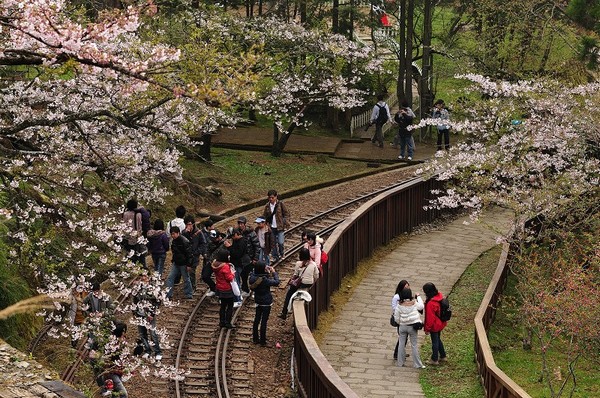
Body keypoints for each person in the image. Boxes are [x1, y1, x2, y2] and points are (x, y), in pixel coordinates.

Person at [278, 248, 319, 319]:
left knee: (289, 293)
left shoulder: (298, 263)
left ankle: (284, 312)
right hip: (309, 283)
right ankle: (286, 311)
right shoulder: (313, 264)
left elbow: (295, 275)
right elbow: (316, 276)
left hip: (301, 283)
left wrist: (292, 281)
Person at [131, 273, 162, 360]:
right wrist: (134, 312)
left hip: (149, 314)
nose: (143, 278)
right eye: (142, 277)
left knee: (153, 333)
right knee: (142, 333)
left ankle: (157, 351)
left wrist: (152, 314)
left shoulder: (153, 288)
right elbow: (134, 300)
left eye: (145, 276)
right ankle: (147, 350)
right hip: (139, 314)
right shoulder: (137, 287)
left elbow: (158, 302)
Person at [248, 262, 280, 346]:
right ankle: (263, 341)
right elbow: (277, 282)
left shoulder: (252, 278)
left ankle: (255, 338)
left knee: (257, 319)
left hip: (258, 301)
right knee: (264, 321)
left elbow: (254, 275)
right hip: (266, 302)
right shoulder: (264, 280)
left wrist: (266, 273)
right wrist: (274, 272)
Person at [393, 288, 425, 368]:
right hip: (412, 327)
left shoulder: (399, 305)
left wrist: (400, 323)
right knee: (414, 345)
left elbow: (396, 318)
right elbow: (421, 306)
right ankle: (417, 364)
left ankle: (400, 363)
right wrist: (418, 297)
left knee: (401, 344)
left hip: (403, 327)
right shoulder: (414, 302)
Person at [97, 322, 129, 397]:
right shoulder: (111, 343)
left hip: (119, 370)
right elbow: (106, 359)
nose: (124, 333)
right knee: (124, 394)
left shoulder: (123, 341)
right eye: (123, 331)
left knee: (114, 393)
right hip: (112, 372)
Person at [423, 282, 448, 365]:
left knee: (435, 342)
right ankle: (443, 356)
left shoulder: (431, 303)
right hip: (440, 322)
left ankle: (434, 359)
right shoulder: (439, 297)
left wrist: (427, 329)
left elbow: (430, 318)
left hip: (435, 325)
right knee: (438, 339)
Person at [165, 226, 193, 300]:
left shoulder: (184, 241)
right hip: (176, 263)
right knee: (170, 278)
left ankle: (189, 293)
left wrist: (189, 264)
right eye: (172, 234)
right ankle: (168, 294)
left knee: (186, 278)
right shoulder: (174, 241)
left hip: (183, 263)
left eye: (174, 234)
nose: (173, 235)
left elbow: (189, 253)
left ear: (178, 233)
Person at [224, 227, 250, 305]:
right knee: (236, 280)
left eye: (232, 236)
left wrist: (229, 247)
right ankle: (238, 296)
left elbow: (237, 254)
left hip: (239, 264)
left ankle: (238, 299)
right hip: (236, 264)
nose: (231, 238)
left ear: (236, 234)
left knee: (236, 281)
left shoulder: (242, 242)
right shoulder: (237, 241)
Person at [263, 190, 290, 262]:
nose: (271, 199)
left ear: (276, 197)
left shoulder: (280, 204)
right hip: (271, 227)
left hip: (280, 227)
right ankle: (275, 256)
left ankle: (282, 253)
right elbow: (265, 216)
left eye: (272, 197)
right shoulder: (267, 206)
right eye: (269, 198)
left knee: (281, 242)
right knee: (273, 243)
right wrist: (266, 225)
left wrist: (285, 222)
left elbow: (286, 214)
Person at [211, 249, 236, 329]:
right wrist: (233, 274)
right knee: (230, 306)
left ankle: (222, 322)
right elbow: (229, 278)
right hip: (227, 289)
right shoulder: (225, 266)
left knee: (223, 305)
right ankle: (228, 322)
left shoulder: (215, 265)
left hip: (219, 288)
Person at [122, 199, 148, 268]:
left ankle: (131, 269)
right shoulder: (138, 214)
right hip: (137, 237)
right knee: (140, 255)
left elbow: (123, 225)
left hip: (128, 237)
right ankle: (143, 269)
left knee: (129, 255)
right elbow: (139, 226)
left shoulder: (125, 214)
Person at [182, 215, 206, 293]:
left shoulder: (198, 232)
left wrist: (197, 252)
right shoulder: (184, 232)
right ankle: (189, 287)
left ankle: (192, 287)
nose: (188, 226)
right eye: (186, 224)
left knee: (192, 271)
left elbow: (203, 243)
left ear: (193, 224)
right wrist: (186, 233)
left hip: (194, 256)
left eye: (189, 224)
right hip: (186, 255)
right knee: (186, 272)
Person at [391, 279, 410, 360]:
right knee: (403, 337)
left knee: (404, 337)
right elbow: (394, 308)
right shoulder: (397, 297)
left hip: (406, 319)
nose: (407, 288)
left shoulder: (407, 296)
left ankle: (401, 352)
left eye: (408, 287)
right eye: (406, 287)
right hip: (400, 319)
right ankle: (397, 354)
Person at [200, 219, 217, 296]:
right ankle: (214, 288)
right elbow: (203, 244)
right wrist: (204, 252)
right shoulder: (202, 233)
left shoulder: (214, 232)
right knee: (205, 274)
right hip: (208, 255)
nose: (214, 227)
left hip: (215, 258)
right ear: (208, 227)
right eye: (212, 226)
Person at [68, 282, 87, 348]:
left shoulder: (87, 293)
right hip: (76, 317)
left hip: (85, 316)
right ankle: (74, 345)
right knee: (75, 332)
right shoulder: (72, 295)